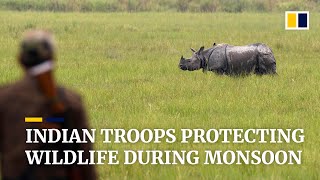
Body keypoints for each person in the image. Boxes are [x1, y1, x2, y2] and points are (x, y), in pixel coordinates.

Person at [0, 30, 97, 180]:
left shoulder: (4, 100)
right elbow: (85, 163)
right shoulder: (71, 101)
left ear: (20, 60)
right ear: (52, 58)